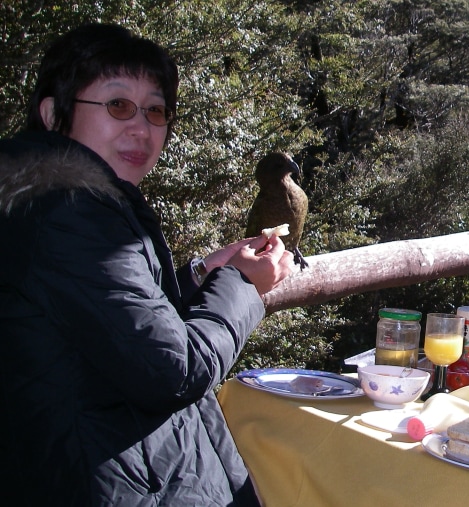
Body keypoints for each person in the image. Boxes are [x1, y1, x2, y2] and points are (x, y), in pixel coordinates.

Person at [0, 24, 295, 505]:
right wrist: (243, 284)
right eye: (117, 105)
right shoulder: (65, 211)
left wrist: (203, 273)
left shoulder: (51, 201)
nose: (141, 127)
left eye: (155, 110)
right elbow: (174, 371)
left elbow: (105, 323)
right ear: (54, 113)